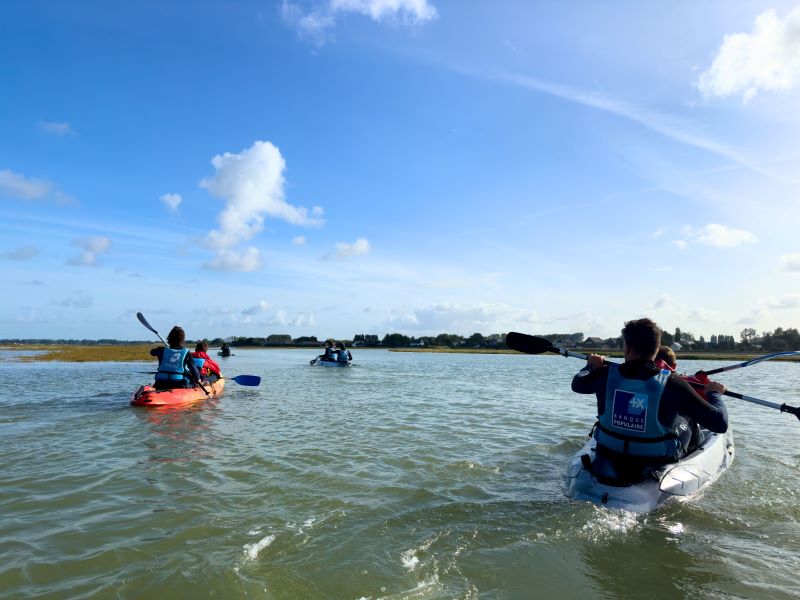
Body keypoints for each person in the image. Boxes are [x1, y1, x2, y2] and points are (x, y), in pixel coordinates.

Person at [571, 318, 729, 483]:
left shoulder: (604, 375)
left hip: (610, 451)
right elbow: (720, 424)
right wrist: (714, 393)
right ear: (656, 349)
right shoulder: (672, 383)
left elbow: (577, 384)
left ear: (627, 348)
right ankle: (694, 458)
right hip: (655, 459)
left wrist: (590, 366)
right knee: (688, 418)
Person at [150, 326, 202, 390]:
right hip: (178, 384)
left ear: (169, 339)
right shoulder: (186, 353)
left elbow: (152, 352)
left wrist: (161, 348)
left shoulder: (161, 350)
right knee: (193, 382)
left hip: (160, 383)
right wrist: (198, 379)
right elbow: (195, 371)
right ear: (182, 340)